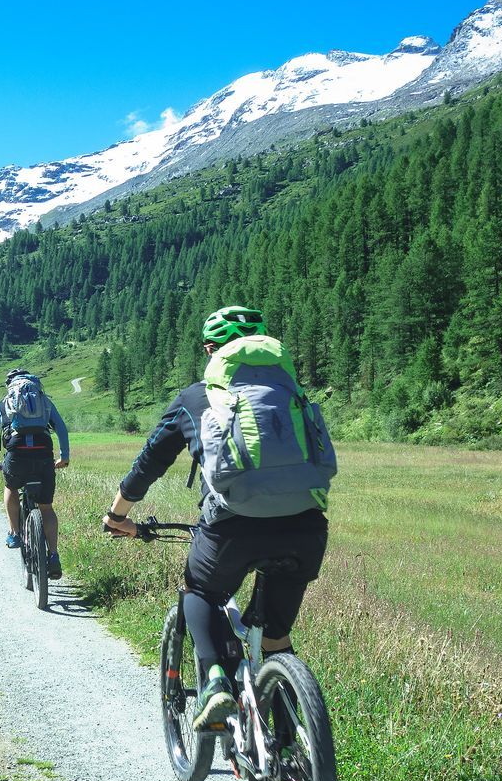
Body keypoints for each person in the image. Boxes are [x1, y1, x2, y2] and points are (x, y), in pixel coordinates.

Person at [100, 306, 330, 730]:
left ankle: (216, 683)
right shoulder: (290, 392)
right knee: (275, 638)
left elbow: (150, 461)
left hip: (233, 524)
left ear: (211, 350)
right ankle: (289, 744)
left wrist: (118, 515)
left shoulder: (195, 397)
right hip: (307, 526)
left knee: (200, 591)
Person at [0, 368, 70, 578]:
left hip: (17, 454)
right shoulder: (44, 401)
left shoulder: (4, 403)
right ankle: (54, 555)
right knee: (46, 508)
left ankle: (14, 533)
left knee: (11, 487)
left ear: (10, 385)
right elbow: (62, 429)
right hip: (43, 454)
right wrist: (64, 457)